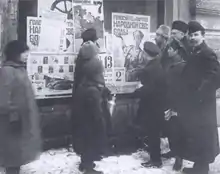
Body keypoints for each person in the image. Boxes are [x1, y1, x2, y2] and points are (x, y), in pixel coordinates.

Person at [176, 21, 220, 174]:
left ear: (203, 36)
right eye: (191, 35)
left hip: (203, 104)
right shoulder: (195, 51)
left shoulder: (207, 53)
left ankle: (202, 169)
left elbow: (215, 77)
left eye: (196, 35)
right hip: (195, 103)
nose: (192, 38)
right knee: (196, 135)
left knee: (203, 135)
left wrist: (199, 95)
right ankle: (198, 167)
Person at [0, 40, 42, 174]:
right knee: (11, 157)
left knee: (17, 156)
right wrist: (13, 115)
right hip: (12, 122)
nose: (26, 55)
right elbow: (4, 97)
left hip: (21, 120)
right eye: (24, 52)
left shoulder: (19, 69)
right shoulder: (7, 71)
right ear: (15, 54)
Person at [71, 41, 109, 174]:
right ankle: (88, 167)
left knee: (85, 137)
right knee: (90, 138)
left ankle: (85, 163)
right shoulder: (92, 86)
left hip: (81, 114)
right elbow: (96, 113)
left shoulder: (83, 71)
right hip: (90, 119)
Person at [132, 42, 167, 168]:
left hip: (150, 106)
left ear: (146, 54)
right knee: (155, 133)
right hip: (158, 105)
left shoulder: (148, 69)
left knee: (152, 134)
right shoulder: (158, 66)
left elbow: (148, 89)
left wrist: (136, 92)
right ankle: (156, 158)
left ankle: (155, 160)